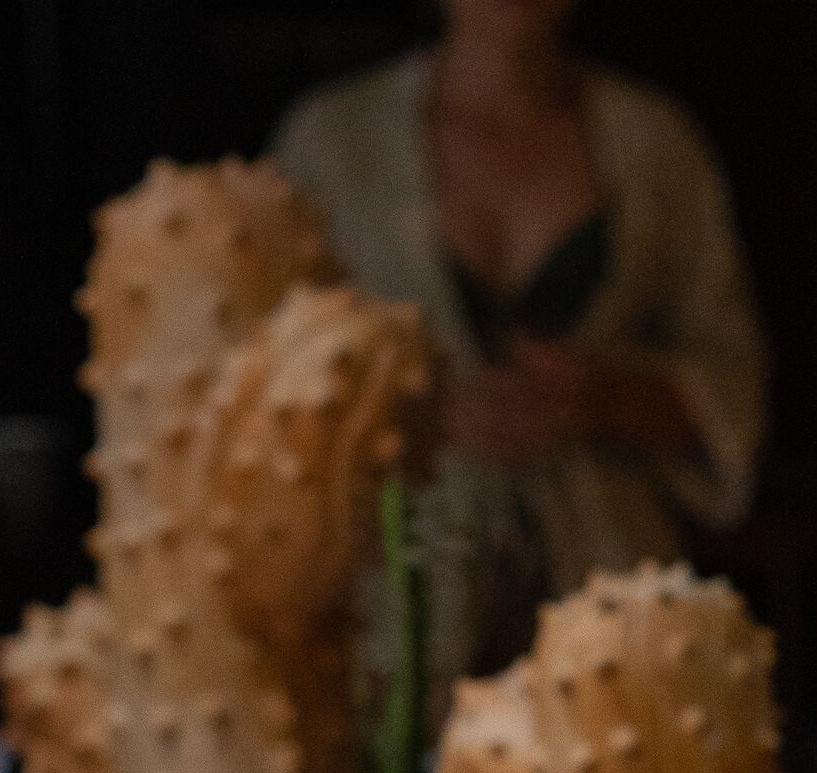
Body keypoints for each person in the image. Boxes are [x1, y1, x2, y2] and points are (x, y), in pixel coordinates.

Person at [273, 0, 768, 672]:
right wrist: (413, 411)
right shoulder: (331, 145)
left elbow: (734, 377)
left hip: (612, 606)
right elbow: (264, 391)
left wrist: (603, 399)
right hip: (395, 612)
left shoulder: (657, 145)